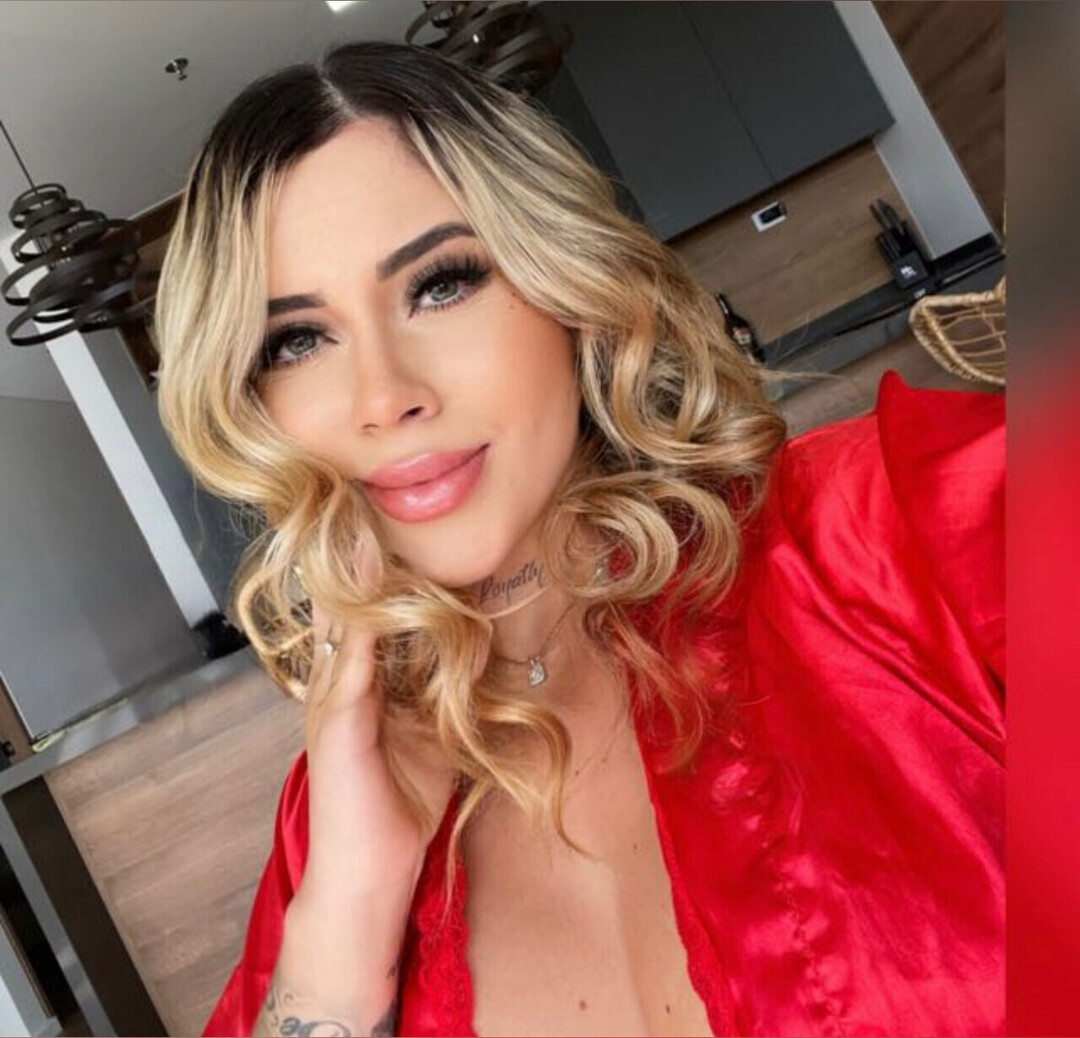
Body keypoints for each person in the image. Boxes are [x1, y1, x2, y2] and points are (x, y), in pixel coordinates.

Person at [155, 41, 1004, 1038]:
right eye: (296, 341)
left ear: (563, 284)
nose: (385, 396)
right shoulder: (339, 805)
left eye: (440, 284)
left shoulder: (902, 528)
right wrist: (344, 918)